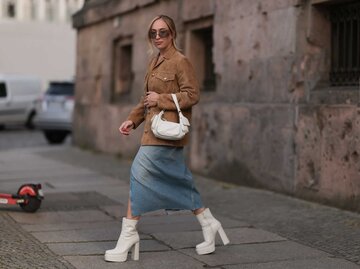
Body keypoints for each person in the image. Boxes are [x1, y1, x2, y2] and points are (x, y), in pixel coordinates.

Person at [104, 14, 230, 263]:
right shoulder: (154, 61)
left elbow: (192, 95)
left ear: (173, 34)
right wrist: (133, 119)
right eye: (154, 33)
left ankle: (128, 235)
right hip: (152, 130)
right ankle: (208, 222)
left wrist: (161, 100)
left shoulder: (180, 61)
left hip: (167, 133)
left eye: (163, 32)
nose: (158, 37)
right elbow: (146, 99)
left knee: (138, 173)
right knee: (178, 182)